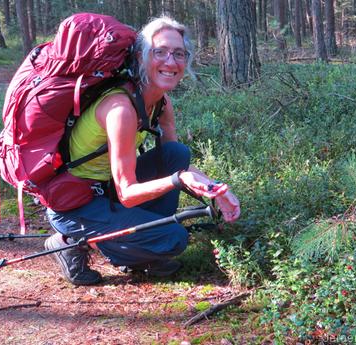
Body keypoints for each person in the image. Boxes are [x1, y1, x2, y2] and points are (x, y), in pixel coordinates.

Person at [44, 15, 241, 286]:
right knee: (174, 238)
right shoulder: (120, 109)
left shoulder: (161, 103)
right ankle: (71, 242)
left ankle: (140, 247)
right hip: (75, 203)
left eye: (179, 54)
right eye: (159, 52)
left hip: (107, 189)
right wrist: (180, 180)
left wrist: (214, 187)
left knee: (176, 154)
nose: (170, 62)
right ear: (141, 57)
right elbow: (128, 192)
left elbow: (177, 166)